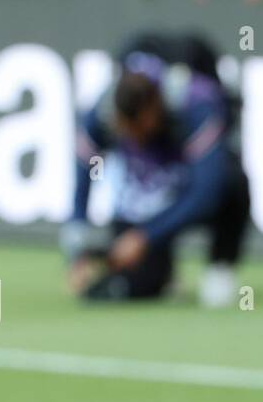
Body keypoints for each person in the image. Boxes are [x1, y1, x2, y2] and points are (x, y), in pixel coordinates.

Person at [62, 35, 248, 307]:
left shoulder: (197, 103)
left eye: (137, 129)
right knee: (136, 283)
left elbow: (206, 193)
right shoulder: (103, 111)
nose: (132, 137)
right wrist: (76, 253)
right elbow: (83, 177)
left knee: (233, 183)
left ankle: (220, 266)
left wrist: (145, 237)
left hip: (189, 182)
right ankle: (163, 274)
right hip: (145, 190)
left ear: (152, 112)